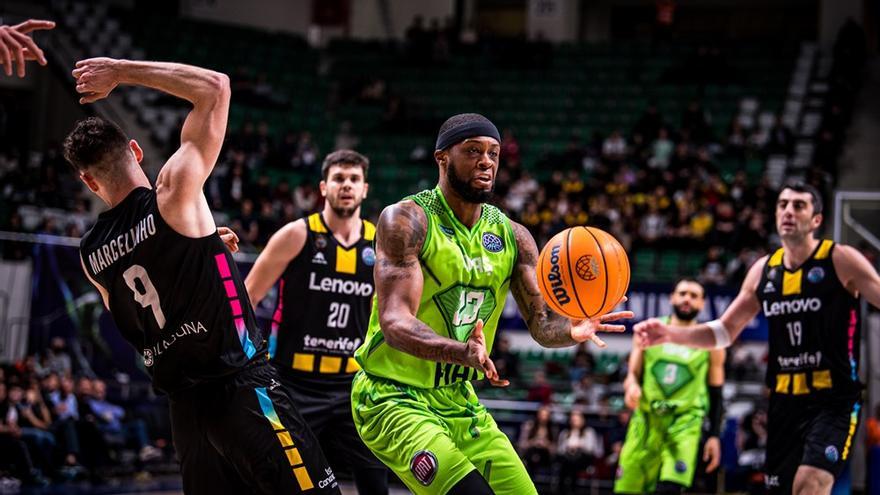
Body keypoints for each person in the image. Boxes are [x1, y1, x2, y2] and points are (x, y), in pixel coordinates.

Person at [66, 57, 339, 494]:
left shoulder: (90, 253)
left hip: (187, 414)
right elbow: (215, 86)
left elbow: (145, 299)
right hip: (241, 388)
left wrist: (205, 246)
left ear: (89, 181)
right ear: (135, 150)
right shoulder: (173, 193)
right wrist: (119, 71)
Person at [350, 113, 633, 494]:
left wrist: (573, 328)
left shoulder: (514, 237)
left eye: (494, 153)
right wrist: (460, 352)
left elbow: (543, 326)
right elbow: (395, 322)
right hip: (391, 396)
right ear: (442, 158)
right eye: (473, 151)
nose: (487, 161)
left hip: (458, 402)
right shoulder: (407, 220)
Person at [636, 181, 880, 494]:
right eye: (783, 204)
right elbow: (724, 331)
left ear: (816, 220)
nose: (788, 211)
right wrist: (670, 333)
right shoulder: (764, 271)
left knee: (811, 483)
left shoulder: (840, 259)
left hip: (833, 400)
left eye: (799, 205)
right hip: (783, 403)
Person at [245, 149, 388, 495]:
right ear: (323, 187)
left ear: (365, 189)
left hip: (355, 386)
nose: (347, 186)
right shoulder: (296, 235)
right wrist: (250, 361)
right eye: (339, 178)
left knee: (375, 483)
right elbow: (246, 296)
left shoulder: (381, 243)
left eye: (354, 179)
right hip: (295, 385)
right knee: (285, 483)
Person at [615, 278, 725, 494]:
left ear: (702, 304)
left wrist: (714, 435)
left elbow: (717, 393)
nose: (687, 299)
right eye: (683, 293)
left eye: (694, 296)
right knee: (627, 488)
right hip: (646, 420)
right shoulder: (649, 330)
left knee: (670, 488)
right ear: (672, 297)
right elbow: (632, 375)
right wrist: (631, 387)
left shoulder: (711, 341)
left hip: (684, 423)